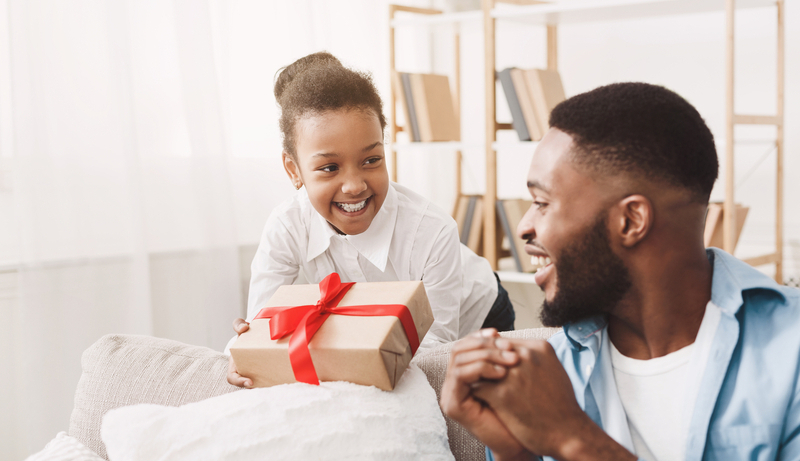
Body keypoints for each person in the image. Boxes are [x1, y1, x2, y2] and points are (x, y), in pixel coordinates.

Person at [440, 82, 800, 461]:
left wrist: (573, 439)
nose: (524, 227)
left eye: (542, 202)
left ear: (630, 220)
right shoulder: (550, 373)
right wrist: (515, 454)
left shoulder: (789, 351)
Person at [227, 51, 515, 387]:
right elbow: (261, 327)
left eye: (371, 160)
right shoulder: (287, 226)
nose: (354, 186)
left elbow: (433, 350)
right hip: (382, 330)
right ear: (294, 170)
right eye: (329, 168)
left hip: (476, 315)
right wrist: (246, 352)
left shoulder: (432, 231)